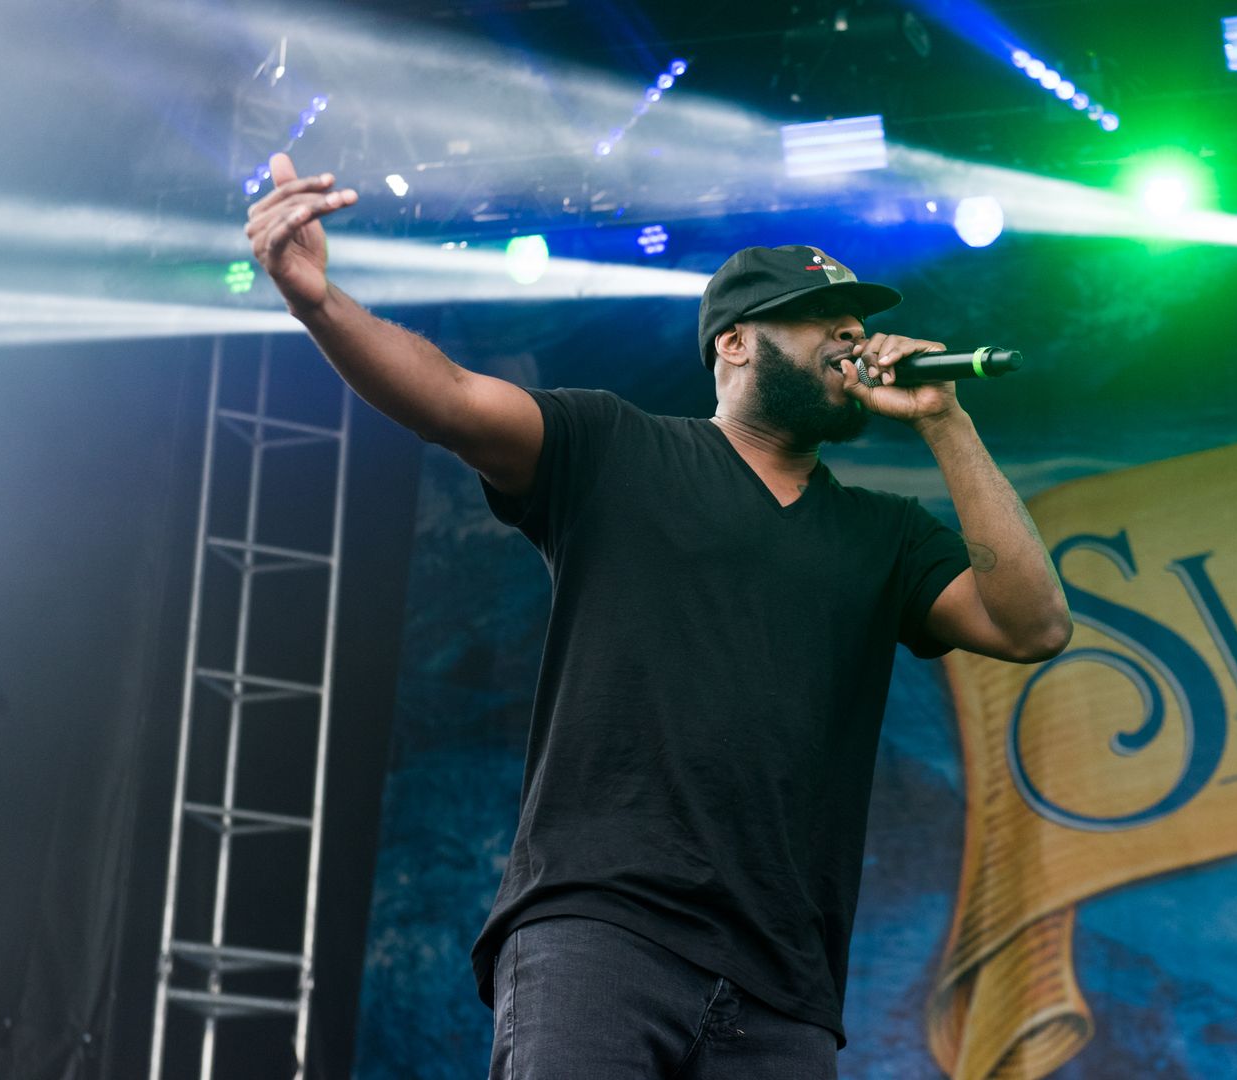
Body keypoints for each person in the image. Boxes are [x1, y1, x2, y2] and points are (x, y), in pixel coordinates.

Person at [245, 152, 1071, 1078]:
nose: (852, 341)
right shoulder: (615, 449)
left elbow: (1033, 626)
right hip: (602, 933)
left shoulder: (885, 534)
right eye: (822, 325)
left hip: (786, 982)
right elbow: (448, 399)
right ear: (736, 343)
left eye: (859, 326)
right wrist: (317, 300)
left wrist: (946, 421)